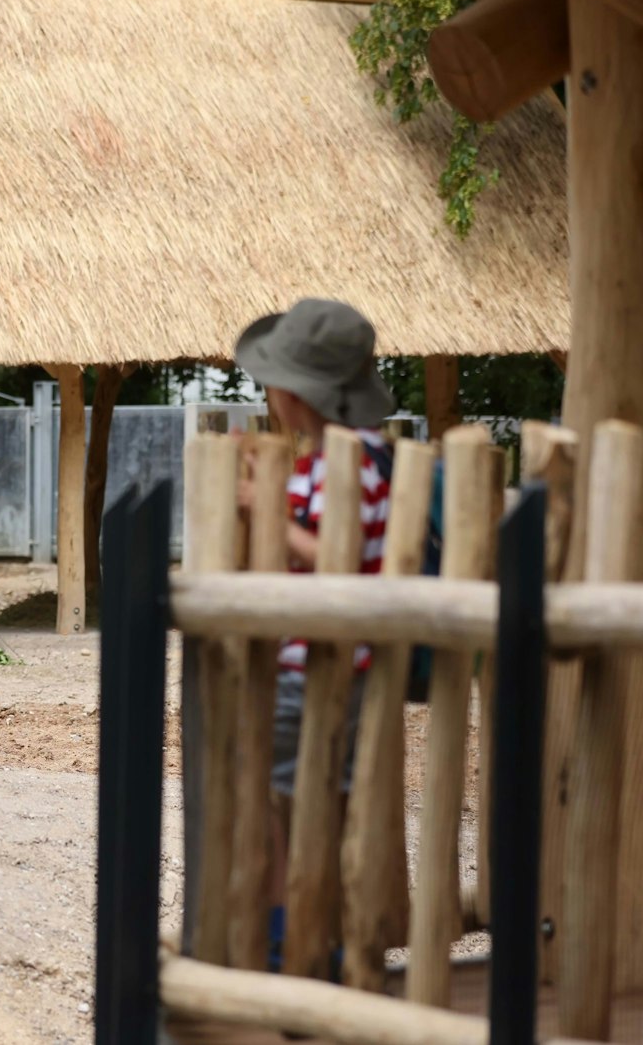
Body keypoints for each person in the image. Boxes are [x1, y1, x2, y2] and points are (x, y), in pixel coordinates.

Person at [232, 298, 395, 972]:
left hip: (317, 664)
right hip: (331, 662)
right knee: (304, 801)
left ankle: (289, 942)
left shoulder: (344, 462)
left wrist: (263, 507)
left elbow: (335, 554)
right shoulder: (348, 456)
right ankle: (308, 937)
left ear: (297, 394)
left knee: (279, 801)